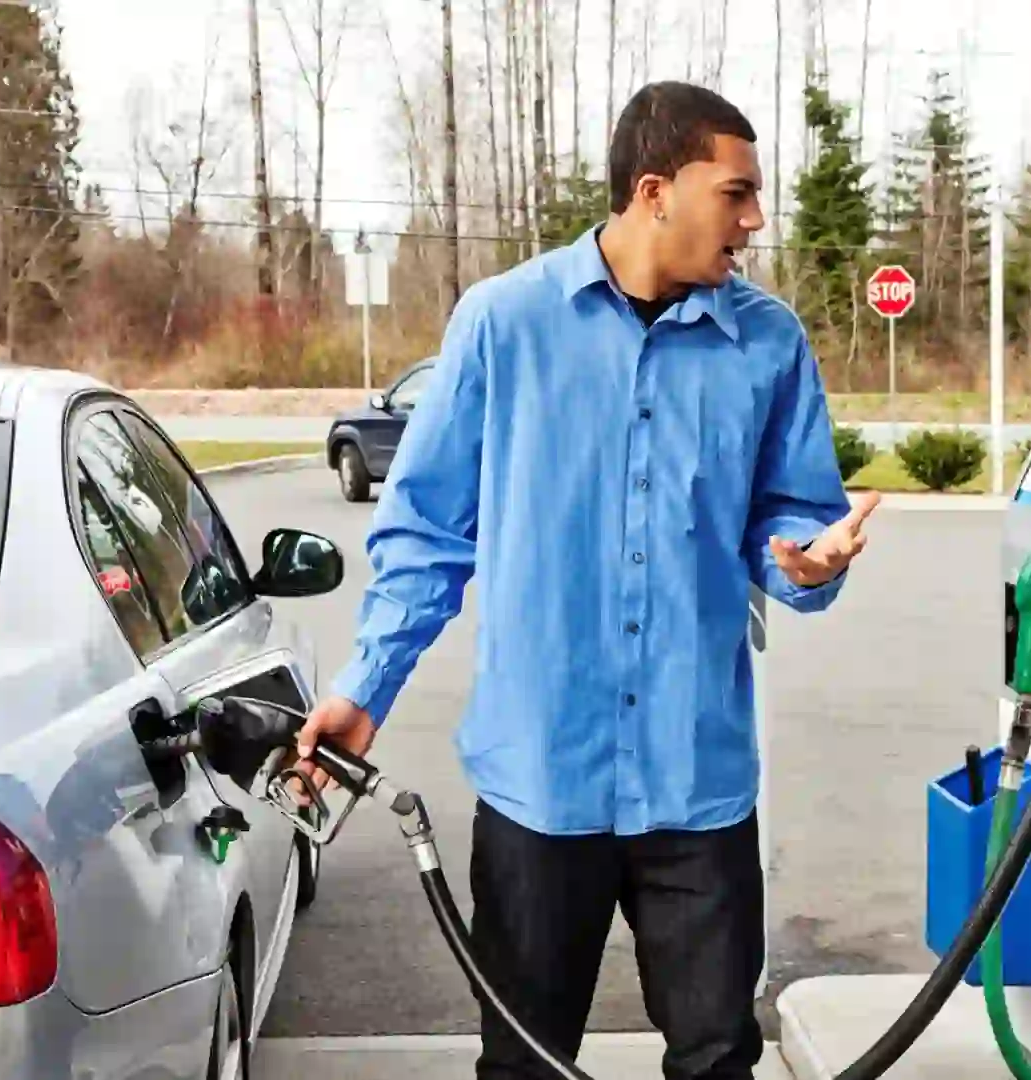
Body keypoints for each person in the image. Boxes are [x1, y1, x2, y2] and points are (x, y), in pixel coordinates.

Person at [293, 80, 880, 1080]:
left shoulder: (770, 343)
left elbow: (790, 515)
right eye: (735, 193)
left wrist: (803, 561)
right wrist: (365, 688)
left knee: (718, 1060)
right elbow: (427, 534)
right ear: (655, 192)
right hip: (538, 787)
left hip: (696, 789)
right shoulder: (503, 325)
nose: (755, 220)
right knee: (525, 1066)